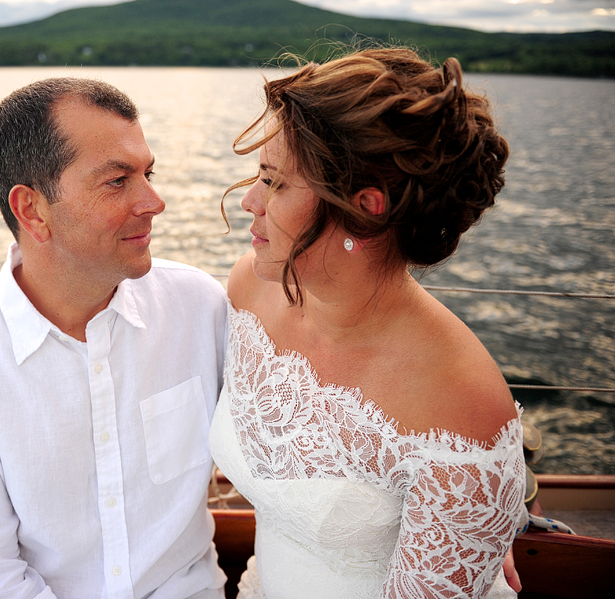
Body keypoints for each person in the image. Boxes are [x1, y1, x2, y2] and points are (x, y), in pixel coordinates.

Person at [209, 47, 529, 598]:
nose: (250, 202)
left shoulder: (459, 406)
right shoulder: (251, 290)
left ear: (366, 207)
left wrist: (483, 518)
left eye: (275, 182)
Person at [0, 78, 229, 598]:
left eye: (148, 173)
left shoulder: (201, 307)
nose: (155, 201)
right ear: (33, 210)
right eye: (118, 181)